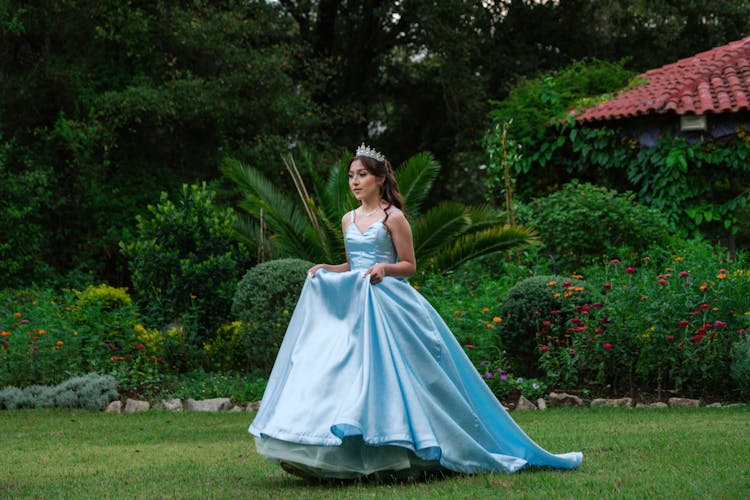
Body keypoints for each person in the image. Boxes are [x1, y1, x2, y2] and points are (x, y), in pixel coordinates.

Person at [248, 144, 583, 480]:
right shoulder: (348, 218)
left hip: (391, 302)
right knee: (342, 374)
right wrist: (329, 269)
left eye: (362, 174)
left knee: (401, 378)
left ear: (379, 179)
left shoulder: (393, 217)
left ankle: (415, 452)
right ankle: (335, 458)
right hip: (358, 303)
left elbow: (408, 265)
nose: (354, 181)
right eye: (351, 176)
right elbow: (353, 263)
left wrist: (384, 269)